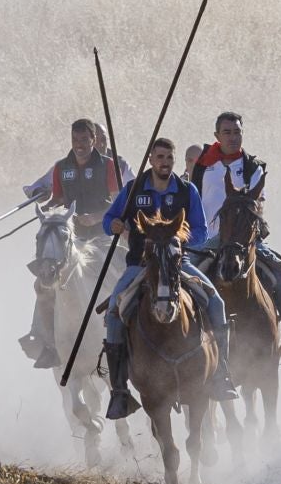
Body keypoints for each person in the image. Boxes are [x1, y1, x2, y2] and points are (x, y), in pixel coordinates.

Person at [98, 138, 237, 418]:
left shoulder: (187, 190)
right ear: (151, 159)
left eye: (169, 158)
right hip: (140, 265)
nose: (164, 163)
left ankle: (221, 373)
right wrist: (113, 224)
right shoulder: (134, 189)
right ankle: (119, 390)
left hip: (177, 263)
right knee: (114, 311)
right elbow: (109, 219)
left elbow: (201, 231)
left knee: (217, 303)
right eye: (160, 157)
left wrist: (178, 238)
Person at [189, 113, 281, 370]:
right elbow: (193, 200)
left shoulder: (253, 166)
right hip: (207, 242)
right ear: (217, 136)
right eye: (226, 132)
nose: (232, 137)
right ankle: (184, 345)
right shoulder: (203, 165)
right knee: (183, 281)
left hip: (244, 240)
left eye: (237, 132)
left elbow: (260, 205)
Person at [17, 119, 128, 371]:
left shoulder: (108, 166)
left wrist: (96, 217)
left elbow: (118, 202)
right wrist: (48, 207)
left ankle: (128, 334)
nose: (79, 145)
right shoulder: (61, 168)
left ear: (93, 140)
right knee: (42, 283)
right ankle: (47, 342)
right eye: (75, 140)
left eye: (84, 140)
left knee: (120, 276)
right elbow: (59, 198)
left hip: (102, 237)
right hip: (70, 241)